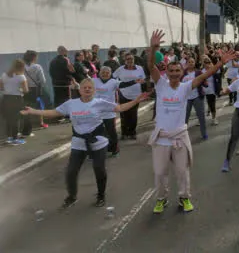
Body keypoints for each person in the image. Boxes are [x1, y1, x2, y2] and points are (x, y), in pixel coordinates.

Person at [20, 78, 147, 208]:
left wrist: (136, 101)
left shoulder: (99, 103)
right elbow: (54, 112)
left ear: (94, 90)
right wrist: (33, 111)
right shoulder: (71, 103)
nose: (87, 89)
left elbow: (119, 108)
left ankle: (101, 195)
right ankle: (72, 196)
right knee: (71, 171)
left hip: (97, 140)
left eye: (90, 87)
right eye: (84, 87)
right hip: (79, 141)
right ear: (79, 90)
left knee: (99, 169)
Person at [146, 29, 236, 214]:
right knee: (160, 173)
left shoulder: (187, 86)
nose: (174, 73)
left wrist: (220, 63)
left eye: (177, 70)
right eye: (171, 70)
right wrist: (152, 48)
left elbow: (205, 75)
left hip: (179, 136)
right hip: (162, 138)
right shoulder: (160, 84)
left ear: (182, 72)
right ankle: (161, 199)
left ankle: (184, 198)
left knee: (182, 171)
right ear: (167, 72)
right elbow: (150, 66)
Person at [93, 67, 143, 157]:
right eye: (103, 72)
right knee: (97, 132)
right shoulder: (94, 81)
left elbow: (124, 84)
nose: (105, 74)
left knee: (111, 131)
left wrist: (135, 81)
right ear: (99, 73)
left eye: (107, 72)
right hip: (96, 112)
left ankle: (114, 149)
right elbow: (84, 85)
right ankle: (98, 150)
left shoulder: (113, 82)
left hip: (109, 111)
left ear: (110, 74)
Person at [113, 53, 146, 140]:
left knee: (133, 115)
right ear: (125, 60)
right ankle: (124, 133)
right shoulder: (120, 69)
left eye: (131, 58)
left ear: (134, 59)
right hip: (123, 94)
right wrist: (117, 86)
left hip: (136, 95)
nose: (130, 60)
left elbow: (144, 79)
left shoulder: (139, 68)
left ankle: (132, 132)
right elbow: (113, 77)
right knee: (123, 114)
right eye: (128, 59)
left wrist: (143, 83)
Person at [1, 59, 29, 145]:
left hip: (6, 98)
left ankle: (9, 137)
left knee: (9, 118)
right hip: (16, 99)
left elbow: (1, 87)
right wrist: (19, 89)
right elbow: (26, 90)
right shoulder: (21, 77)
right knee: (16, 119)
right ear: (21, 67)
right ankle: (15, 138)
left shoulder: (4, 75)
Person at [181, 58, 208, 140]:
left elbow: (204, 82)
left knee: (201, 116)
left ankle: (204, 134)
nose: (191, 63)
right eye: (189, 62)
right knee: (184, 118)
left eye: (192, 62)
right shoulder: (183, 73)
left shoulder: (198, 72)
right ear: (186, 64)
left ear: (195, 63)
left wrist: (205, 83)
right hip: (186, 99)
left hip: (197, 97)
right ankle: (182, 135)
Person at [22, 50, 47, 135]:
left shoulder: (22, 66)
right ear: (33, 57)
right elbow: (43, 81)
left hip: (24, 89)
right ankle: (39, 123)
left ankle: (26, 128)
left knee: (26, 107)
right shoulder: (37, 67)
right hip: (35, 89)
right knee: (38, 106)